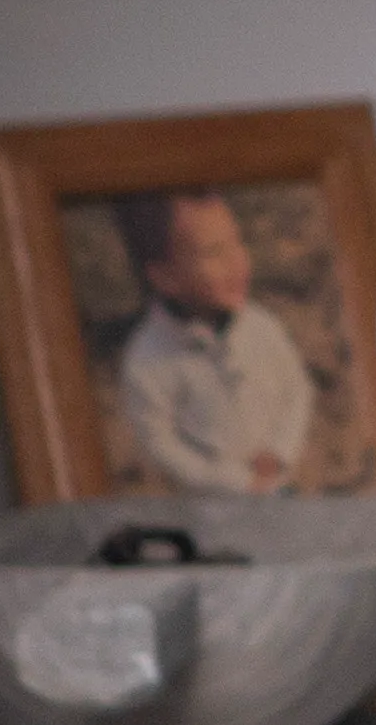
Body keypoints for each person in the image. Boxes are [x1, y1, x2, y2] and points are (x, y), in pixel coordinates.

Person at [110, 187, 323, 496]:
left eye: (236, 242)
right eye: (213, 252)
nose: (236, 261)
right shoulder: (148, 358)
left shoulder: (262, 326)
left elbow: (297, 390)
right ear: (165, 277)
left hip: (280, 485)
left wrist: (280, 453)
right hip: (213, 502)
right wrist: (232, 480)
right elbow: (160, 442)